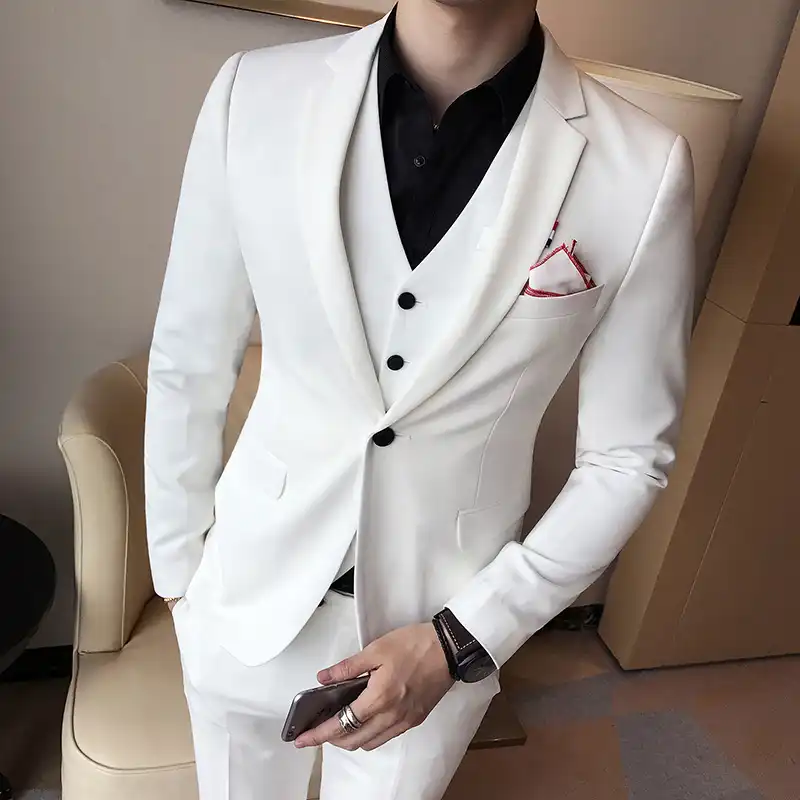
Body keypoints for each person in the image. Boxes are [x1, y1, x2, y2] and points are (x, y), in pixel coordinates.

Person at [143, 0, 695, 796]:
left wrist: (464, 638)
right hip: (240, 598)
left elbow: (628, 457)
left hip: (439, 637)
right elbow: (189, 354)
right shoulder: (253, 94)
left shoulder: (642, 166)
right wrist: (178, 578)